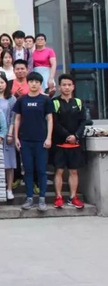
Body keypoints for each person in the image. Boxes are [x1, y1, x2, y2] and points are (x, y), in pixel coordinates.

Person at [13, 72, 53, 211]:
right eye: (31, 81)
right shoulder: (21, 100)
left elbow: (50, 119)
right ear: (27, 83)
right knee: (28, 170)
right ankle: (29, 198)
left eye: (36, 82)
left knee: (41, 170)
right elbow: (17, 119)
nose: (34, 84)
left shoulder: (45, 100)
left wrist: (49, 137)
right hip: (25, 140)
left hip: (41, 140)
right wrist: (16, 137)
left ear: (40, 84)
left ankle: (42, 199)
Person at [52, 74, 88, 209]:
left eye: (69, 85)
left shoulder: (78, 102)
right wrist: (67, 136)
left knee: (73, 172)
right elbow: (54, 123)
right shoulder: (54, 102)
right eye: (64, 85)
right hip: (59, 143)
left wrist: (76, 136)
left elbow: (83, 121)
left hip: (75, 144)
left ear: (73, 87)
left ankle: (73, 197)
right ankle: (58, 197)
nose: (66, 87)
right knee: (59, 171)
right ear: (59, 87)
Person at [0, 75, 18, 200]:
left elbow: (14, 117)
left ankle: (9, 189)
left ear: (6, 84)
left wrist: (10, 133)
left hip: (7, 132)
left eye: (2, 82)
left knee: (9, 162)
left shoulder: (11, 99)